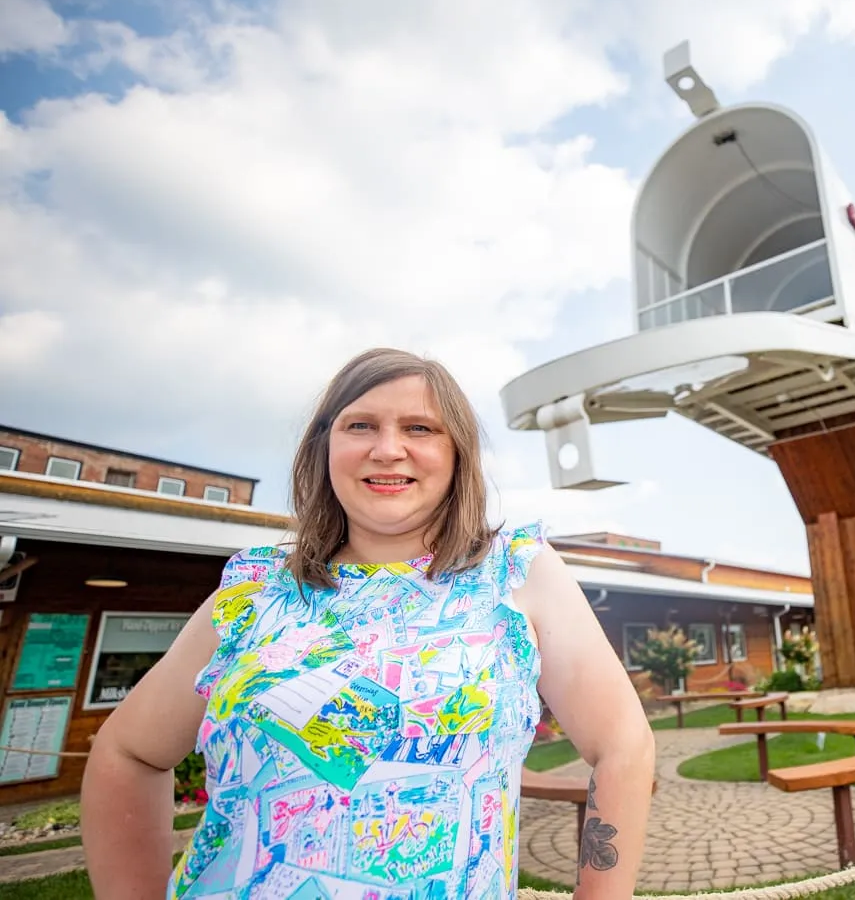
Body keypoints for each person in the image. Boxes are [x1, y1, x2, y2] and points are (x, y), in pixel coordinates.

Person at [81, 348, 656, 899]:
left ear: (458, 454)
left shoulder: (515, 572)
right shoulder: (254, 590)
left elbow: (622, 744)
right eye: (360, 426)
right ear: (324, 448)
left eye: (419, 428)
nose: (388, 449)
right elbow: (127, 753)